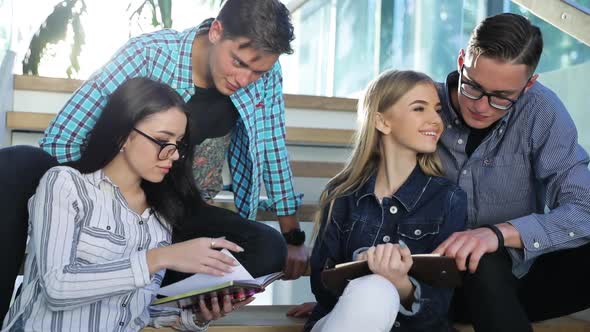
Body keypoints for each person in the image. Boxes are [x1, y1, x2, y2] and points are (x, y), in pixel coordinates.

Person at [0, 0, 306, 318]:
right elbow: (62, 140)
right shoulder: (149, 53)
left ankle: (138, 297)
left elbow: (272, 146)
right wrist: (83, 203)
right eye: (239, 63)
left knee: (268, 248)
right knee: (16, 165)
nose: (245, 80)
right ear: (216, 31)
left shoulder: (265, 76)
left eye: (259, 71)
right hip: (108, 192)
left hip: (172, 206)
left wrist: (292, 236)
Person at [1, 77, 276, 331]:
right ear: (122, 134)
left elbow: (134, 312)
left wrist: (196, 316)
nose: (174, 155)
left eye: (179, 143)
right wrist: (161, 257)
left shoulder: (159, 217)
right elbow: (57, 287)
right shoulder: (65, 184)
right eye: (162, 140)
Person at [431, 13, 590, 332]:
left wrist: (498, 233)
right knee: (484, 261)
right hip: (439, 287)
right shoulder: (420, 105)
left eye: (502, 98)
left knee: (493, 253)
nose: (481, 106)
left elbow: (584, 210)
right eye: (473, 87)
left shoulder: (541, 109)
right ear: (462, 60)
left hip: (521, 282)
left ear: (529, 84)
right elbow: (366, 198)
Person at [304, 70, 467, 332]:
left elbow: (437, 309)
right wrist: (366, 267)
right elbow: (322, 289)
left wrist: (400, 283)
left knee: (380, 286)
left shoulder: (448, 199)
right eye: (419, 109)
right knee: (375, 287)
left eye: (437, 110)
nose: (436, 120)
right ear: (382, 121)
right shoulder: (341, 195)